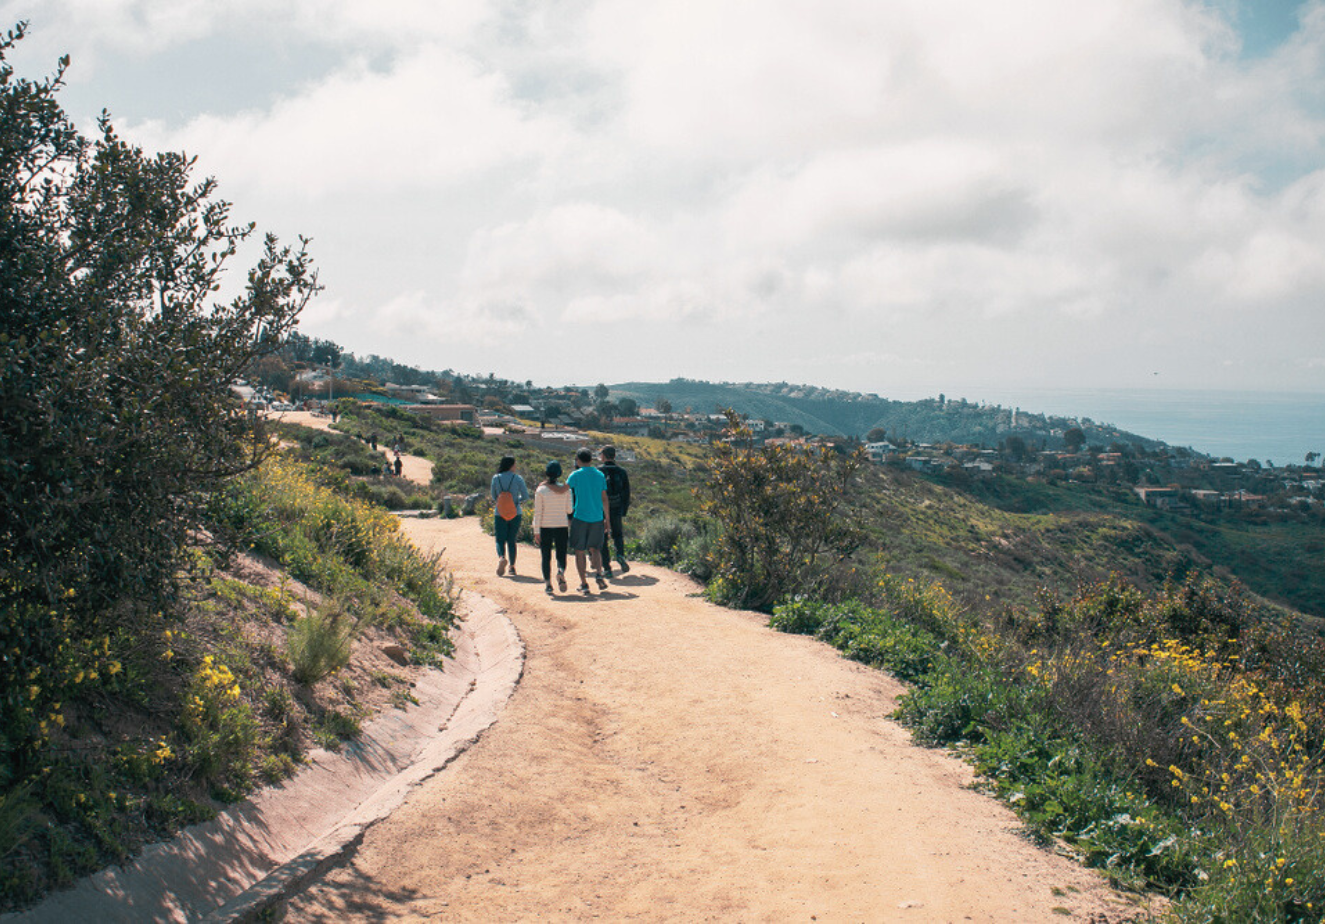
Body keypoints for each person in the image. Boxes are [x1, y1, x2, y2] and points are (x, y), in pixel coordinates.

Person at [565, 446, 611, 594]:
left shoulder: (575, 475)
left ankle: (584, 583)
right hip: (597, 517)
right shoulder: (600, 475)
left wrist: (548, 485)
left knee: (579, 551)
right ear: (591, 460)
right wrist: (607, 519)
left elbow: (564, 491)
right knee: (595, 549)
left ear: (577, 460)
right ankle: (599, 574)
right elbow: (604, 499)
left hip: (580, 517)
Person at [532, 460, 573, 595]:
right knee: (561, 554)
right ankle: (560, 571)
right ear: (559, 474)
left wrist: (536, 531)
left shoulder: (541, 490)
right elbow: (569, 510)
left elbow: (538, 512)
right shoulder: (566, 490)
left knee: (546, 556)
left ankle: (548, 585)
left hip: (545, 526)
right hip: (561, 525)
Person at [490, 456, 529, 576]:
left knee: (500, 539)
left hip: (500, 512)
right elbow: (526, 496)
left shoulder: (496, 478)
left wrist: (503, 502)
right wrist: (516, 502)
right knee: (511, 540)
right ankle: (512, 567)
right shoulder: (517, 478)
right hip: (515, 512)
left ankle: (502, 557)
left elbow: (493, 495)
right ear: (511, 465)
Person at [598, 445, 631, 577]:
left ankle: (607, 568)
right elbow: (626, 492)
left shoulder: (598, 471)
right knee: (618, 534)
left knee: (603, 537)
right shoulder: (622, 472)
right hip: (617, 506)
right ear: (615, 456)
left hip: (601, 508)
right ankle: (620, 555)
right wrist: (624, 509)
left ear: (603, 456)